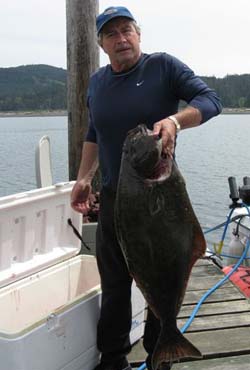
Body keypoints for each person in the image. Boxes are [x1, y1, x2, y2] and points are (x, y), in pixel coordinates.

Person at [71, 6, 222, 370]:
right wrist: (84, 177)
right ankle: (113, 358)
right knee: (116, 284)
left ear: (138, 35)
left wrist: (174, 121)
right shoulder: (97, 82)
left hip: (161, 201)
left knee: (163, 273)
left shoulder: (163, 67)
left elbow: (211, 101)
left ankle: (161, 350)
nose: (121, 39)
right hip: (114, 202)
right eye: (111, 34)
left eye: (127, 30)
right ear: (101, 44)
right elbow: (95, 132)